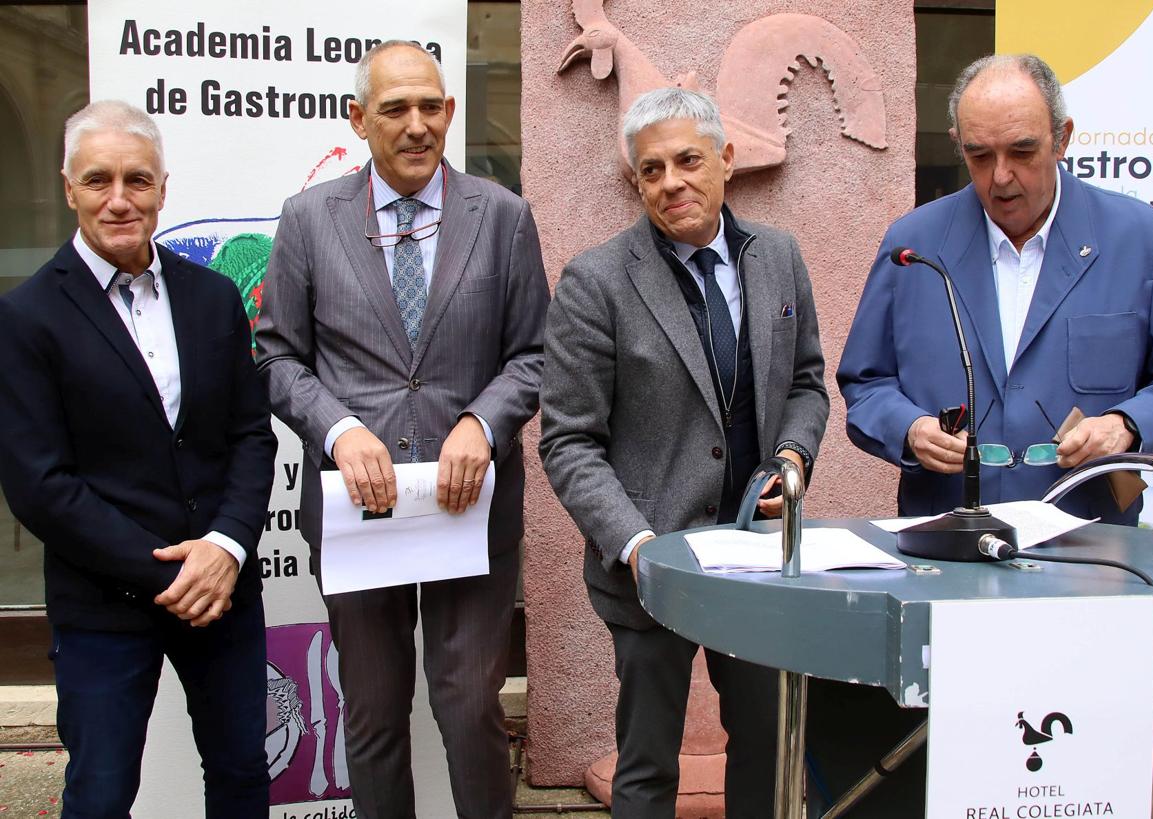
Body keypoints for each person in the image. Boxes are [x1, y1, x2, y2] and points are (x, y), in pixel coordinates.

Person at [255, 40, 549, 819]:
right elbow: (276, 356)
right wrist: (339, 428)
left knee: (469, 708)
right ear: (358, 119)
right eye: (395, 109)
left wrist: (482, 425)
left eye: (431, 106)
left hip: (470, 505)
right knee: (374, 713)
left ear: (449, 111)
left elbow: (534, 354)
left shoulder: (505, 217)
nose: (417, 125)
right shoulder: (309, 220)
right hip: (362, 512)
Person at [539, 87, 829, 818]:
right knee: (646, 763)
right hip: (647, 566)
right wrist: (635, 544)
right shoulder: (596, 280)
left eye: (689, 160)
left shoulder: (780, 258)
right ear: (635, 182)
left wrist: (792, 460)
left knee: (767, 749)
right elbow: (569, 439)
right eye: (651, 169)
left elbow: (805, 383)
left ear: (727, 160)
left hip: (758, 559)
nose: (671, 182)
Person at [0, 100, 277, 817]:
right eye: (98, 181)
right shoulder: (27, 316)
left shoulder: (214, 297)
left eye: (137, 180)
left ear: (161, 187)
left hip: (222, 591)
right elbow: (39, 484)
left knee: (244, 776)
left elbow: (252, 435)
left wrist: (224, 547)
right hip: (103, 603)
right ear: (69, 189)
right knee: (100, 793)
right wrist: (170, 566)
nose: (119, 200)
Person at [838, 54, 1153, 523]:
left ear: (1062, 138)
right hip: (945, 542)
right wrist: (909, 428)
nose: (1001, 177)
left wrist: (1126, 425)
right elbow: (866, 383)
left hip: (1089, 549)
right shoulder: (914, 244)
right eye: (980, 156)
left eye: (1022, 151)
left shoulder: (1141, 238)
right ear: (958, 145)